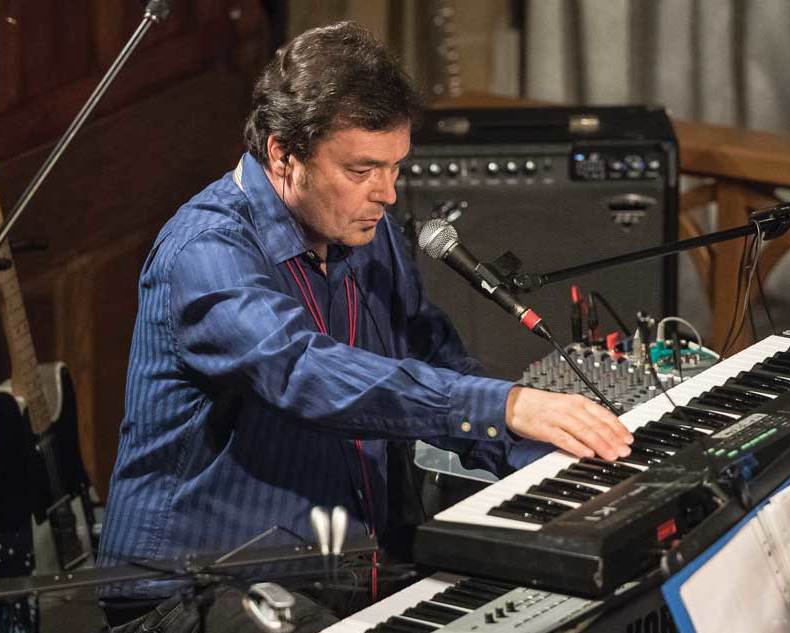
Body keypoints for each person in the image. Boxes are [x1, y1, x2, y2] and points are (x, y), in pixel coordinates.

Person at [96, 20, 633, 632]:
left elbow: (439, 366)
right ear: (282, 153)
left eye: (396, 167)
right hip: (197, 591)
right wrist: (507, 404)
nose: (388, 194)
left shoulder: (370, 237)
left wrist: (557, 463)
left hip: (341, 574)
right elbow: (302, 371)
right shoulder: (205, 252)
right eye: (361, 171)